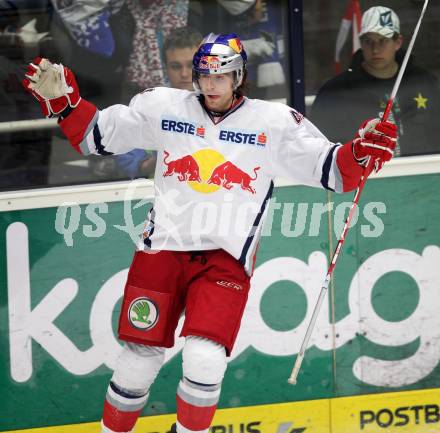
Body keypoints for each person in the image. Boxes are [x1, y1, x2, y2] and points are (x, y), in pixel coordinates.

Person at [22, 33, 396, 433]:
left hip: (225, 258)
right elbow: (98, 135)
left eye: (221, 76)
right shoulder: (164, 106)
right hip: (161, 250)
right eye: (204, 76)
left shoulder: (273, 122)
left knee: (204, 358)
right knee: (137, 360)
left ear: (239, 76)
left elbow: (333, 170)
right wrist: (67, 106)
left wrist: (359, 152)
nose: (210, 85)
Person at [311, 5, 440, 157]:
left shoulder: (425, 82)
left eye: (383, 40)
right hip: (365, 179)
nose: (375, 49)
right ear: (361, 43)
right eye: (368, 41)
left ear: (398, 42)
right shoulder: (336, 92)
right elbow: (319, 151)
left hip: (426, 174)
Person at [115, 26, 203, 179]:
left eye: (191, 65)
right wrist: (161, 160)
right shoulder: (149, 106)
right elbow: (126, 159)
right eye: (176, 66)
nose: (184, 74)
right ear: (165, 68)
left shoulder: (226, 106)